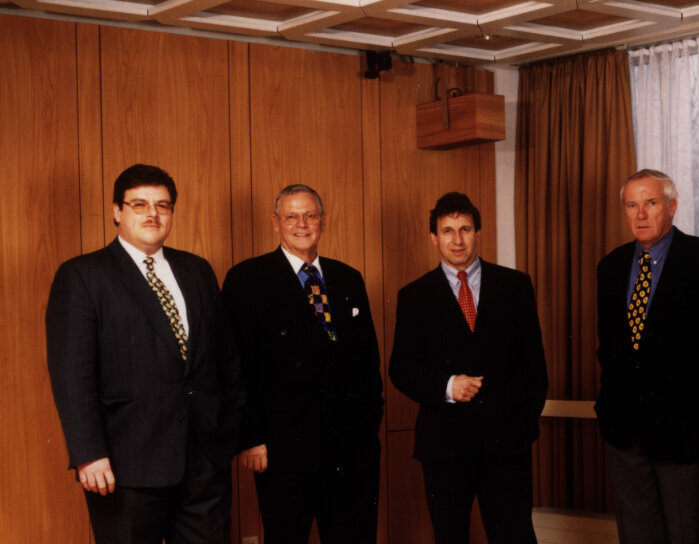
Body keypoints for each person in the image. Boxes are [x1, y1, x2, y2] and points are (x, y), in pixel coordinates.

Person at [45, 163, 244, 543]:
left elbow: (225, 358)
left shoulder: (197, 271)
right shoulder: (83, 276)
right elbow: (72, 374)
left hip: (204, 463)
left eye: (163, 205)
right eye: (139, 204)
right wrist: (88, 452)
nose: (152, 214)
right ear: (117, 211)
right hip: (124, 466)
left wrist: (226, 432)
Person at [221, 184, 383, 543]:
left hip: (351, 449)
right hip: (283, 450)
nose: (302, 224)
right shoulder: (247, 279)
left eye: (310, 215)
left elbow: (368, 362)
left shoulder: (348, 278)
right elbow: (233, 367)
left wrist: (370, 423)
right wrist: (250, 438)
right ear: (275, 223)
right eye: (291, 216)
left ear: (323, 221)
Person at [389, 192, 548, 544]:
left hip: (507, 446)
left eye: (465, 229)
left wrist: (521, 428)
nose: (457, 240)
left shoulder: (515, 286)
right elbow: (400, 368)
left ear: (478, 232)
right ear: (434, 237)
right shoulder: (413, 296)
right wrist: (447, 386)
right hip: (444, 448)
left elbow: (535, 369)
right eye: (447, 231)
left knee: (516, 537)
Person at [595, 169, 699, 544]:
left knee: (689, 535)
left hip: (686, 432)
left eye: (651, 203)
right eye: (632, 205)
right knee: (638, 536)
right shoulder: (610, 268)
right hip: (625, 434)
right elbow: (610, 350)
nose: (640, 214)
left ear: (672, 207)